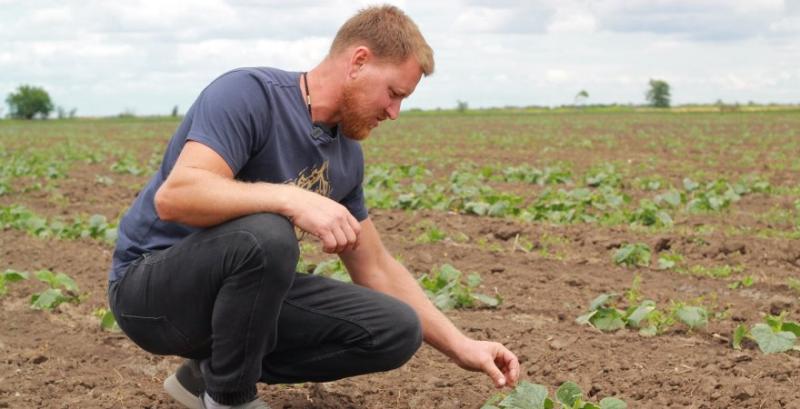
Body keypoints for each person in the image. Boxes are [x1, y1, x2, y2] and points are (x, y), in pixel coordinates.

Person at [107, 5, 520, 409]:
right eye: (393, 94)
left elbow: (374, 266)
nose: (394, 112)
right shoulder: (249, 95)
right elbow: (177, 196)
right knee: (267, 233)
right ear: (358, 61)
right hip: (151, 291)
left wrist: (461, 346)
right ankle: (229, 398)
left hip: (235, 305)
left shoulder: (346, 156)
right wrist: (292, 198)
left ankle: (206, 376)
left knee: (396, 329)